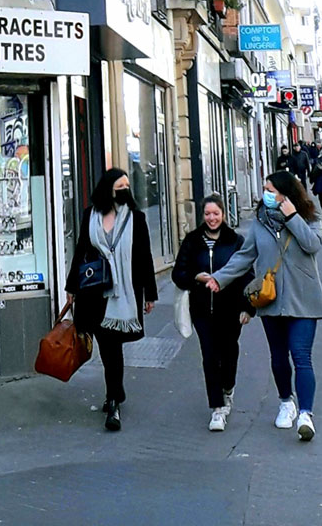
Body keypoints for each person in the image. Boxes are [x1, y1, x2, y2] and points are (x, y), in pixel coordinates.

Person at [206, 170, 322, 442]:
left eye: (271, 190)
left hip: (304, 298)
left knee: (301, 355)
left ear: (286, 193)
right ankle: (286, 401)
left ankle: (305, 414)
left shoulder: (309, 216)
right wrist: (219, 278)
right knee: (278, 356)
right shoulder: (260, 222)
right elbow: (245, 256)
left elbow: (312, 244)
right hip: (271, 299)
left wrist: (292, 217)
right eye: (265, 190)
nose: (266, 195)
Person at [67, 168, 157, 432]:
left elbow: (144, 257)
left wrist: (150, 293)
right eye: (120, 186)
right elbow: (81, 251)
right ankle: (116, 390)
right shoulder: (90, 216)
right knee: (103, 346)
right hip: (94, 291)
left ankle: (114, 401)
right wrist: (71, 287)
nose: (125, 190)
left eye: (127, 186)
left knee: (112, 347)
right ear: (108, 189)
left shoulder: (136, 218)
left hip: (123, 293)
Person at [172, 195, 252, 431]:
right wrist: (195, 277)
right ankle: (217, 408)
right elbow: (178, 274)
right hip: (201, 310)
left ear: (223, 214)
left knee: (229, 353)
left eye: (216, 213)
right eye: (207, 214)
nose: (211, 218)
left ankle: (228, 387)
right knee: (209, 356)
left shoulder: (235, 241)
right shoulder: (192, 240)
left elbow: (247, 275)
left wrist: (248, 307)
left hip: (230, 309)